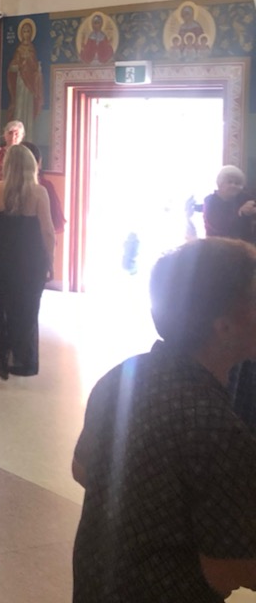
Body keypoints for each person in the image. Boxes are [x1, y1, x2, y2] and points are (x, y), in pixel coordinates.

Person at [71, 238, 256, 602]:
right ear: (223, 326)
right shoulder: (217, 426)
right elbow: (227, 569)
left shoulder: (122, 376)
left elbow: (82, 469)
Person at [0, 144, 55, 379]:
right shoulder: (39, 192)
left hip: (2, 255)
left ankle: (1, 348)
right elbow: (47, 231)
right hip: (31, 258)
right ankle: (22, 359)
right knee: (28, 307)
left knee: (3, 301)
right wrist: (50, 260)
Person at [202, 164, 256, 243]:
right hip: (218, 245)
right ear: (220, 184)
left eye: (237, 183)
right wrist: (241, 213)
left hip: (244, 245)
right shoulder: (210, 201)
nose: (233, 185)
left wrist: (252, 208)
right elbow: (220, 226)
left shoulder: (243, 197)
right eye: (229, 182)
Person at [0, 119, 25, 186]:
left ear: (22, 136)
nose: (13, 137)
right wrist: (1, 187)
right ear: (5, 134)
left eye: (16, 134)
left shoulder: (25, 154)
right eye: (10, 133)